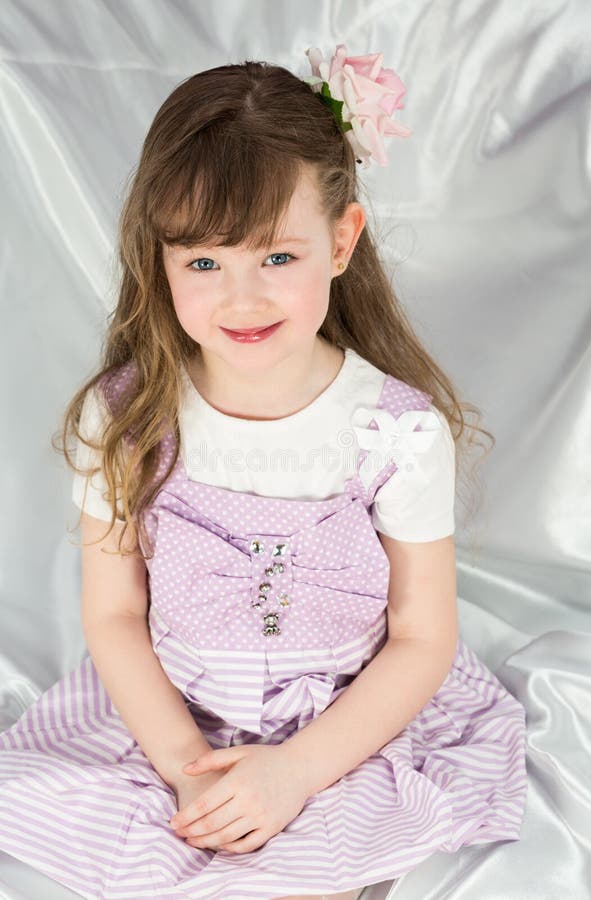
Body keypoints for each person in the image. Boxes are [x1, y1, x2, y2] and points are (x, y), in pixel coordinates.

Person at [0, 44, 527, 900]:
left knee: (301, 881)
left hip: (345, 730)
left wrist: (293, 774)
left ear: (342, 239)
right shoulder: (132, 417)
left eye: (277, 258)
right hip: (172, 720)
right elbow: (116, 613)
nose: (241, 300)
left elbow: (424, 634)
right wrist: (188, 771)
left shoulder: (393, 430)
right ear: (160, 259)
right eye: (204, 263)